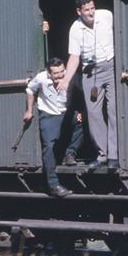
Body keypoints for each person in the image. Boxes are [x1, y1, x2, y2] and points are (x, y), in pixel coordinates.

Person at [57, 0, 118, 170]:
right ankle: (103, 155)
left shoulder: (106, 15)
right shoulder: (75, 29)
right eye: (87, 10)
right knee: (94, 114)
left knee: (114, 110)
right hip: (90, 72)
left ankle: (114, 155)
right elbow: (74, 57)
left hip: (110, 66)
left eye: (92, 8)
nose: (91, 13)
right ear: (79, 11)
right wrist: (66, 80)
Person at [24, 57, 83, 197]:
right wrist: (29, 110)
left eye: (62, 71)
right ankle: (53, 185)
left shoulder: (71, 76)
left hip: (66, 112)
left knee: (80, 123)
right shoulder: (41, 78)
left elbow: (82, 92)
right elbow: (30, 90)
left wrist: (80, 111)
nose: (60, 75)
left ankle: (70, 153)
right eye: (56, 73)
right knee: (49, 147)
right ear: (49, 73)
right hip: (49, 114)